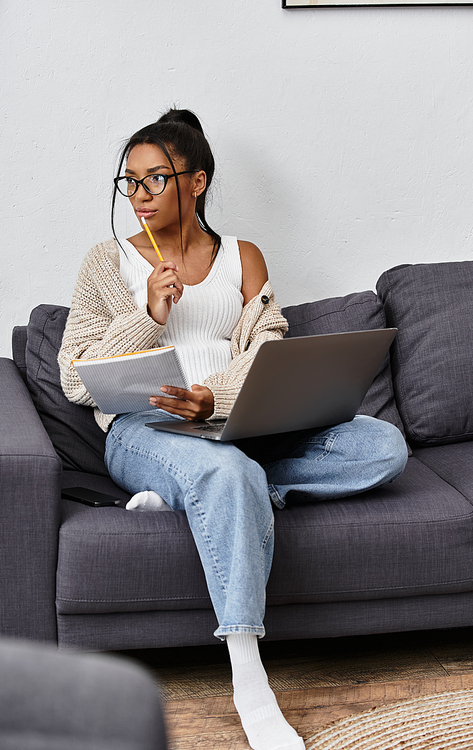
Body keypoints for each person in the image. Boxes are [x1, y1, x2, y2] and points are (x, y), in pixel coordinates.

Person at [58, 108, 408, 750]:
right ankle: (249, 675)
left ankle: (202, 497)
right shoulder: (107, 263)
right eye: (128, 181)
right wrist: (147, 314)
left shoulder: (242, 256)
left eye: (155, 179)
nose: (138, 195)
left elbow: (266, 348)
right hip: (144, 429)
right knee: (229, 470)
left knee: (381, 445)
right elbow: (75, 376)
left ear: (197, 182)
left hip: (234, 426)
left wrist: (211, 400)